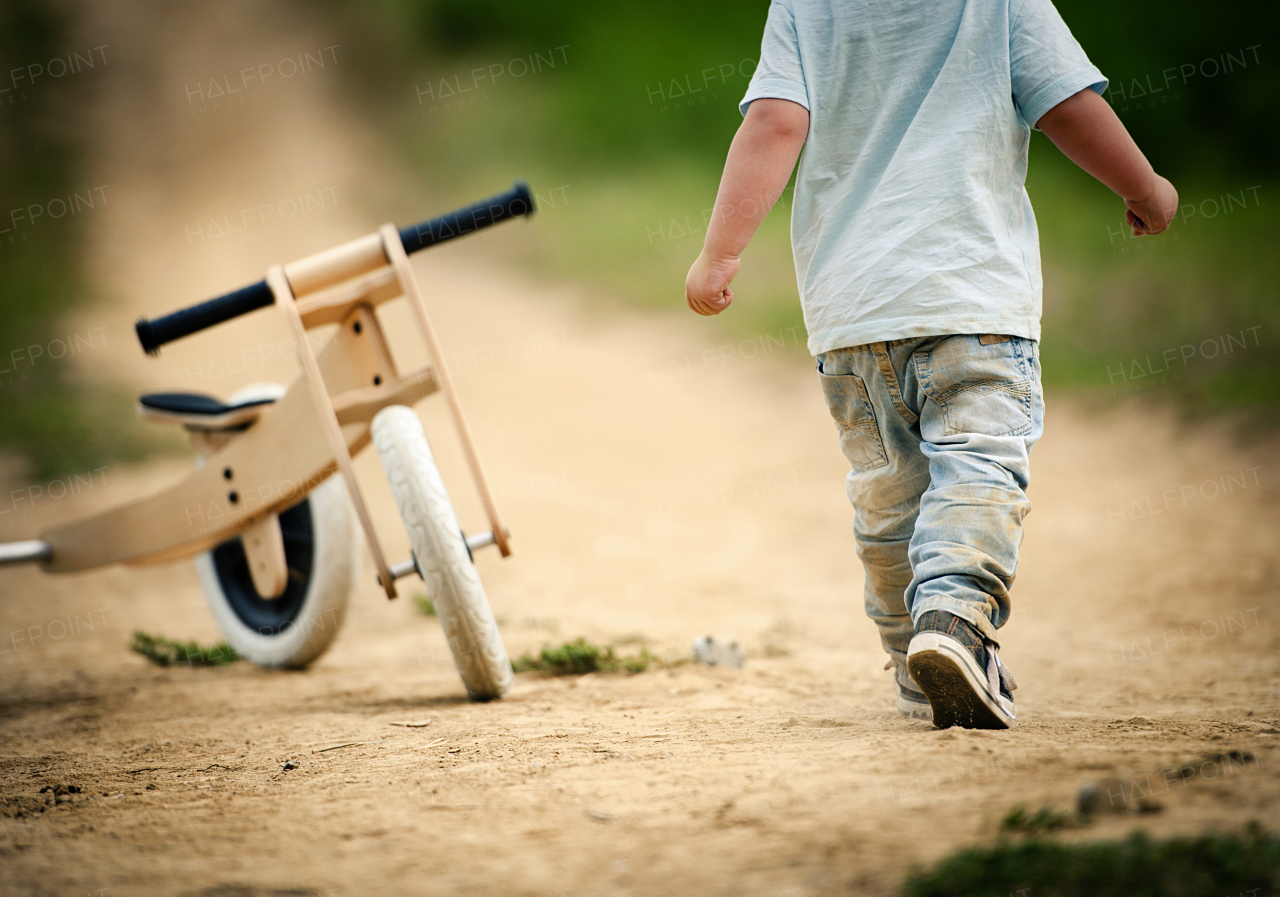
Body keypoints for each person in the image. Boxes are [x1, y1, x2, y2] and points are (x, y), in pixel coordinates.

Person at [683, 0, 1178, 729]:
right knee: (978, 464)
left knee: (888, 499)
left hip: (853, 315)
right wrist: (1145, 188)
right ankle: (951, 622)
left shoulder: (805, 7)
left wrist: (719, 254)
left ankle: (913, 667)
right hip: (972, 297)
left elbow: (774, 123)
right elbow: (1068, 105)